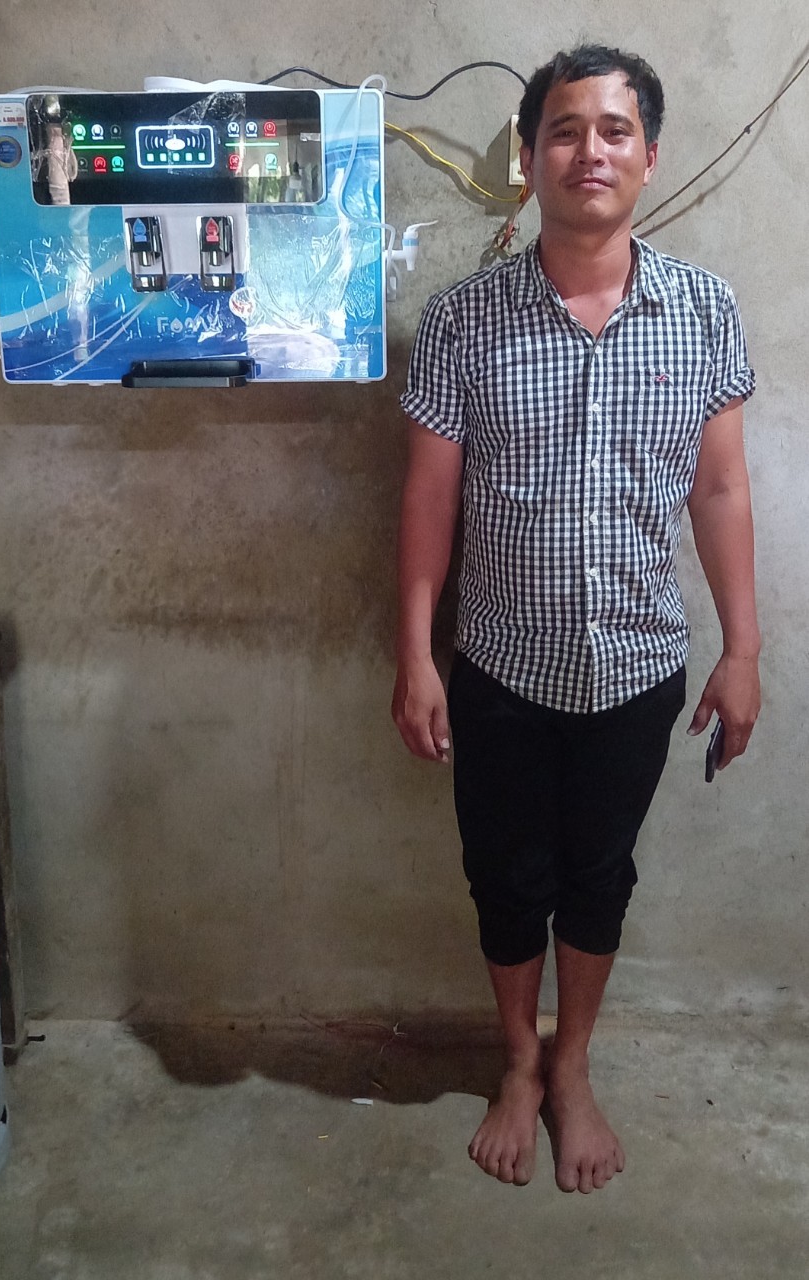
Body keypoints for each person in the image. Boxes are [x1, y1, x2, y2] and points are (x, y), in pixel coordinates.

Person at [392, 44, 760, 1195]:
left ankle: (573, 1063)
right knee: (504, 876)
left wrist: (744, 649)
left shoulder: (701, 310)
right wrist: (414, 655)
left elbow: (718, 489)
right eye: (561, 129)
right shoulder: (463, 319)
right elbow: (428, 497)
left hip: (638, 666)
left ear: (648, 156)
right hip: (497, 667)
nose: (586, 150)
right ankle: (517, 1060)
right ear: (528, 157)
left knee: (598, 873)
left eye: (611, 130)